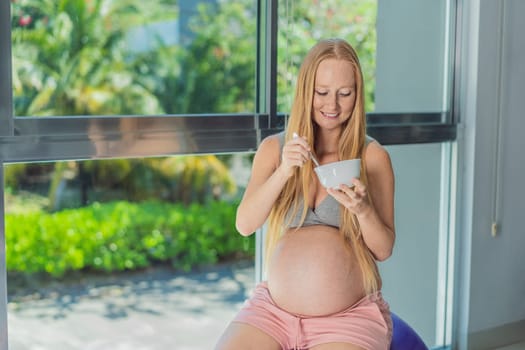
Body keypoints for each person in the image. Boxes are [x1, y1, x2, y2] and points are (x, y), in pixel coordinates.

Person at [215, 38, 396, 350]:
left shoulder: (372, 157)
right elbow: (244, 224)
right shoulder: (274, 149)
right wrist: (284, 170)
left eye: (345, 93)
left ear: (358, 94)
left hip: (347, 318)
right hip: (273, 312)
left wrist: (364, 211)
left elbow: (383, 249)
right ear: (305, 90)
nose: (333, 105)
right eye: (322, 92)